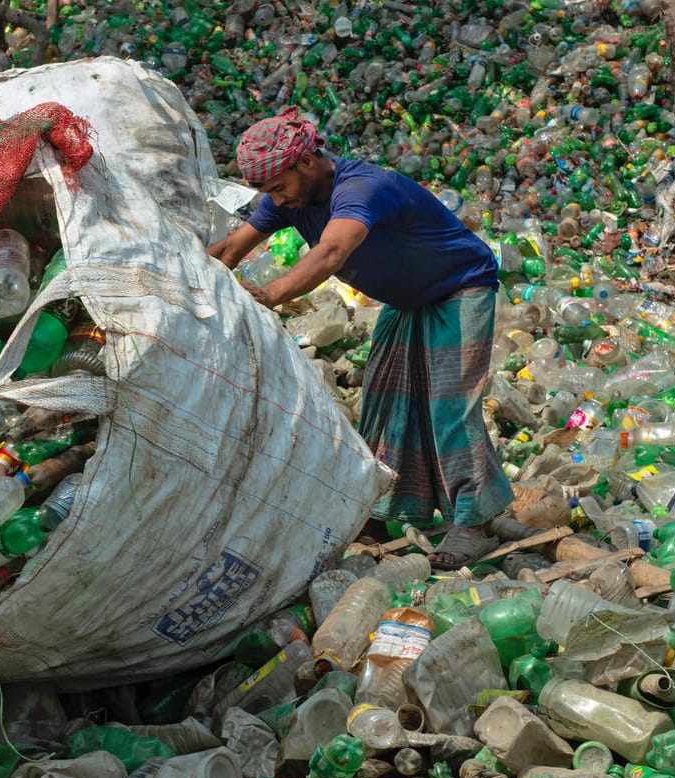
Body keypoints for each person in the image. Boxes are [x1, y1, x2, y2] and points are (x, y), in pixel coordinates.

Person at [207, 108, 514, 569]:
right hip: (408, 299)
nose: (276, 200)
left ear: (306, 163)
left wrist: (269, 295)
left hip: (460, 287)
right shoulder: (288, 197)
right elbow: (232, 248)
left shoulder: (361, 188)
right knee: (385, 401)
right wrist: (181, 277)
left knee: (450, 406)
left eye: (278, 187)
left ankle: (474, 523)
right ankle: (383, 509)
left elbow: (331, 251)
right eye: (268, 192)